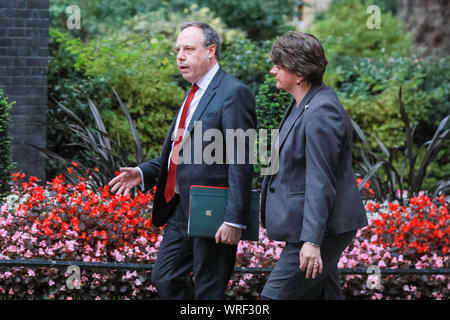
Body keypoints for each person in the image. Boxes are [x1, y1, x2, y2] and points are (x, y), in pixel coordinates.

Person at [108, 22, 256, 299]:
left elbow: (242, 159)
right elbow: (182, 152)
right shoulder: (193, 93)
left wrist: (235, 220)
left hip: (214, 209)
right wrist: (144, 172)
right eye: (178, 49)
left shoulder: (233, 93)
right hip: (180, 208)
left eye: (189, 49)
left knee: (209, 289)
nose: (180, 56)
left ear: (211, 51)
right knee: (165, 277)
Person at [260, 31, 368, 300]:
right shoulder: (304, 103)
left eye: (279, 64)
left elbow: (320, 181)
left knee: (273, 297)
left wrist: (311, 241)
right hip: (313, 227)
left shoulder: (321, 110)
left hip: (323, 231)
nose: (273, 70)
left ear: (299, 73)